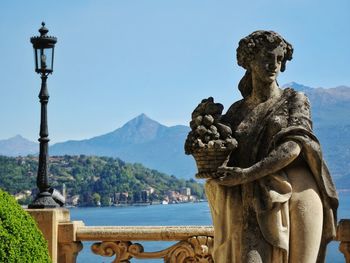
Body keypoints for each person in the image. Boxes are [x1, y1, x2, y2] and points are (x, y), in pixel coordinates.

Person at [204, 31, 338, 263]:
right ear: (250, 61)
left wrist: (247, 174)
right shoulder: (236, 111)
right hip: (245, 201)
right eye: (267, 58)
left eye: (279, 59)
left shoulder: (294, 99)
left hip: (291, 193)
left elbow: (295, 145)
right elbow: (219, 149)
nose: (274, 65)